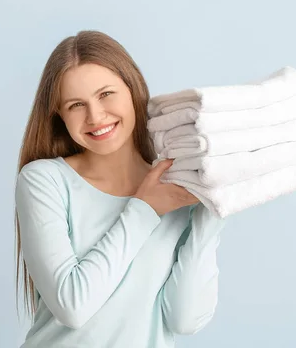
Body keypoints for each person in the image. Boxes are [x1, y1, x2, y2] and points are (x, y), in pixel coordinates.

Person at [14, 30, 227, 347]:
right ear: (59, 114)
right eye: (76, 105)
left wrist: (214, 208)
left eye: (105, 94)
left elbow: (184, 318)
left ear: (133, 89)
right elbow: (73, 306)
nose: (95, 116)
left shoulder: (178, 189)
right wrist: (145, 209)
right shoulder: (44, 181)